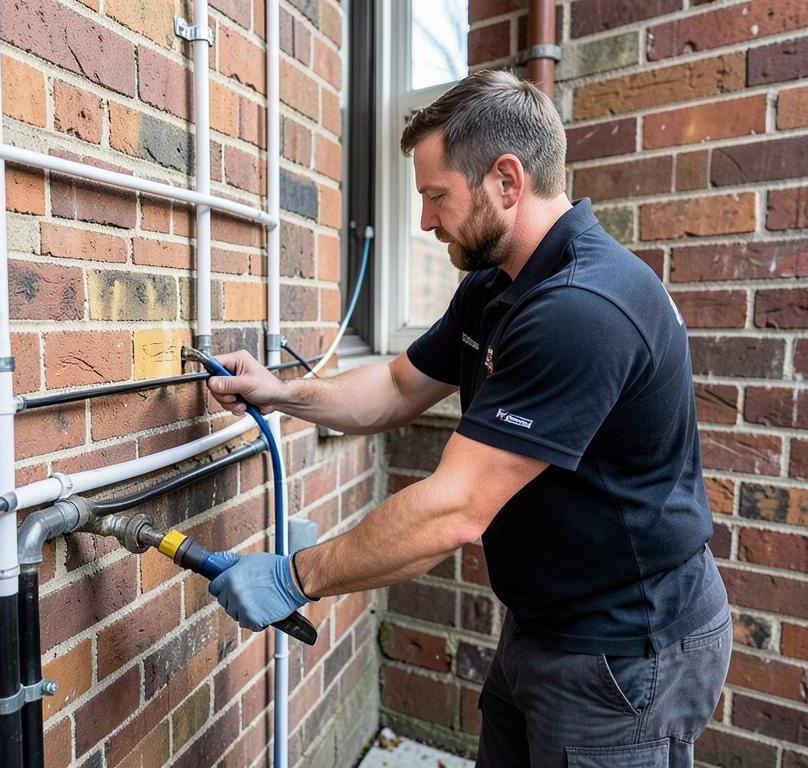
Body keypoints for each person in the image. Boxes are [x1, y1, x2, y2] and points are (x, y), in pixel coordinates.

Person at [204, 69, 730, 767]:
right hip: (543, 625)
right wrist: (282, 393)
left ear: (506, 182)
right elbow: (397, 385)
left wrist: (293, 577)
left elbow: (453, 512)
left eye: (435, 196)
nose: (424, 221)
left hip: (626, 650)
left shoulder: (584, 308)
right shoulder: (495, 285)